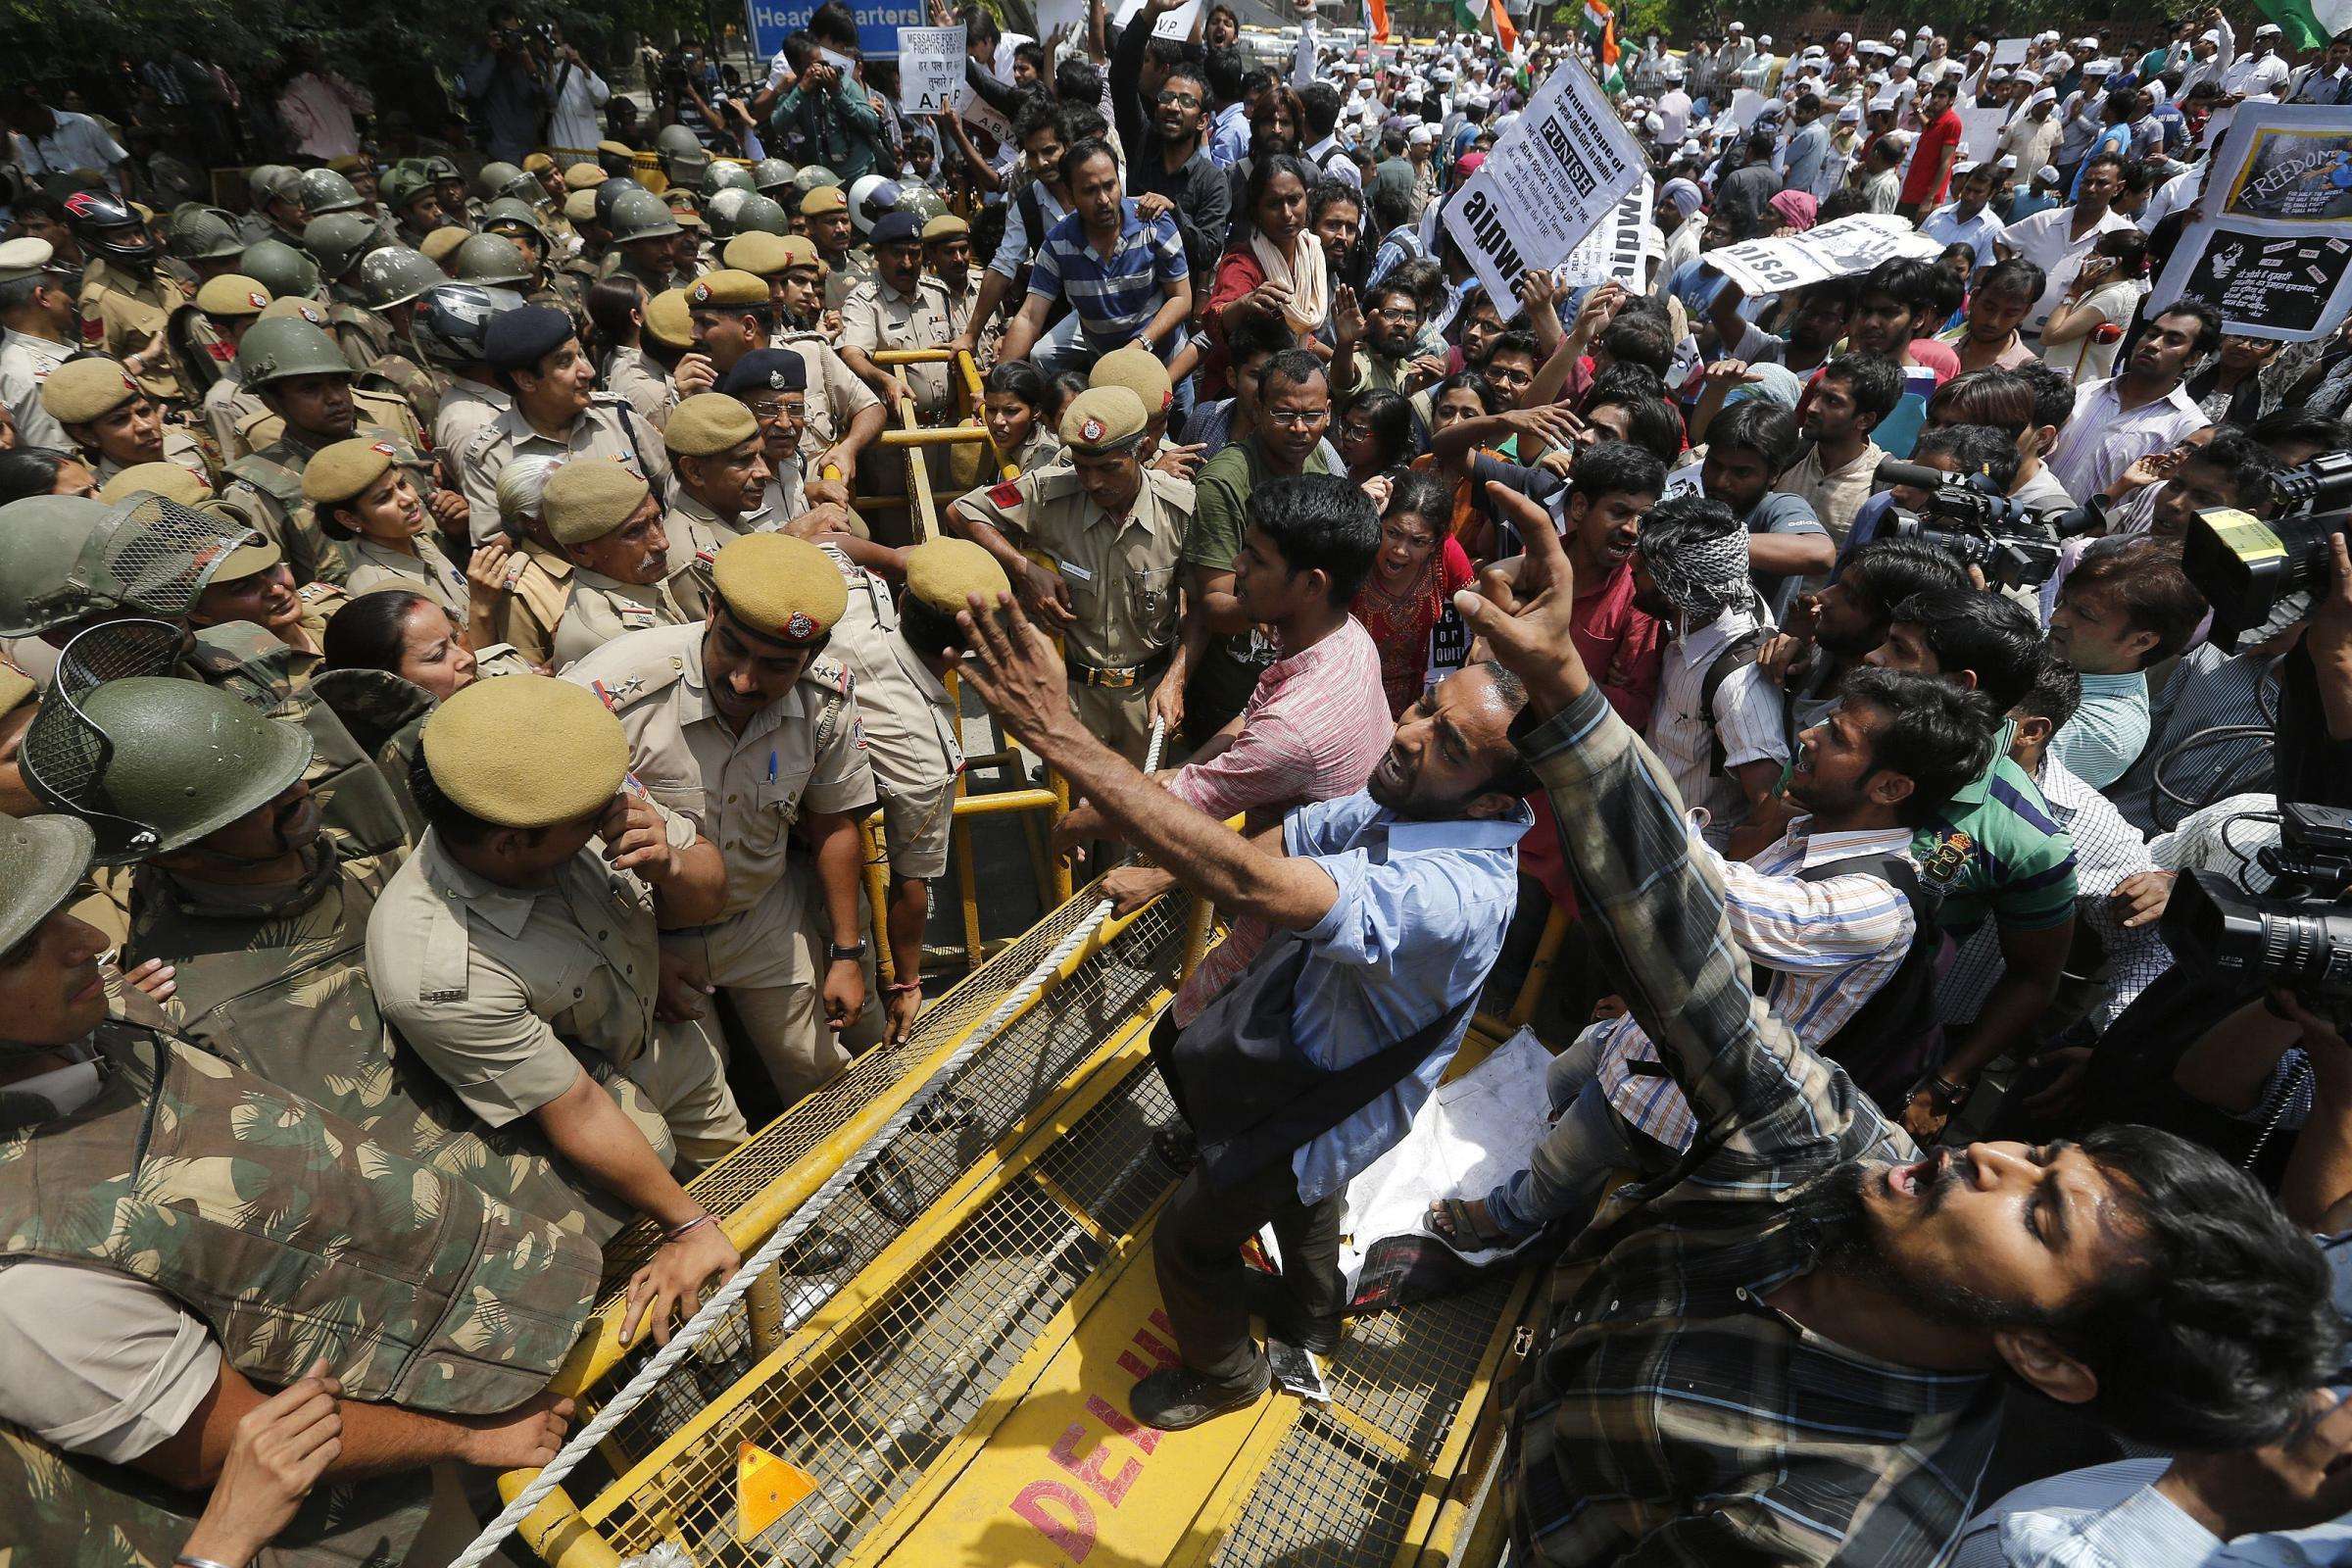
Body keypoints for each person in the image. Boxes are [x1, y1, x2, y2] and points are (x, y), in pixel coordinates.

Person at [1449, 482, 2343, 1566]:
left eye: (2044, 1216)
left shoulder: (1824, 1525)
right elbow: (1689, 957)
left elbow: (1997, 957)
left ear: (2050, 1361)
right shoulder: (1848, 1160)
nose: (1990, 1158)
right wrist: (1559, 680)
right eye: (2043, 1154)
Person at [955, 593, 1535, 1430]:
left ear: (1490, 804)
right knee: (1308, 1198)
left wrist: (1063, 740)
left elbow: (1254, 882)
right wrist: (1164, 872)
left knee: (1189, 1239)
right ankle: (1311, 1316)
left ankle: (1224, 1373)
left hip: (1336, 1098)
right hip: (1315, 1053)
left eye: (1447, 744)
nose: (1409, 735)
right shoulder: (1410, 793)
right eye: (1423, 708)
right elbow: (1296, 840)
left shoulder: (1454, 895)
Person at [0, 810, 593, 1566]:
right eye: (24, 947)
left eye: (61, 911)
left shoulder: (81, 1018)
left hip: (482, 1355)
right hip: (380, 1524)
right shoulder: (28, 1277)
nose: (89, 942)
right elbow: (224, 1445)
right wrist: (472, 1437)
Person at [1429, 662, 1992, 1251]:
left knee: (1561, 1160)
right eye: (1827, 722)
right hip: (1638, 1038)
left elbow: (1709, 892)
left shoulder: (1871, 907)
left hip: (1667, 1096)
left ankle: (1507, 1220)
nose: (1809, 736)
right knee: (1559, 1080)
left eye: (1839, 739)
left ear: (1891, 788)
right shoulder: (1812, 835)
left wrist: (1597, 752)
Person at [564, 533, 884, 1109]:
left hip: (761, 916)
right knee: (701, 1102)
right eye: (731, 649)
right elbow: (561, 853)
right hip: (642, 931)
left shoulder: (825, 700)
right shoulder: (608, 695)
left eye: (776, 667)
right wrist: (633, 955)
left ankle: (856, 1180)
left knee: (816, 1068)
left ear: (812, 658)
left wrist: (845, 953)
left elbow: (835, 824)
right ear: (710, 611)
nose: (743, 681)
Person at [946, 386, 1193, 764]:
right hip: (1073, 697)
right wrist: (1023, 568)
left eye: (1109, 468)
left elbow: (1200, 606)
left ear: (1142, 451)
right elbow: (962, 512)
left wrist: (1177, 681)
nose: (1092, 482)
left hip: (1146, 700)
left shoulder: (1180, 509)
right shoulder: (1050, 493)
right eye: (1082, 467)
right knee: (1073, 814)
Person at [1182, 349, 1335, 744]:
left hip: (1301, 690)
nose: (1300, 429)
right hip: (1231, 695)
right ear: (1257, 409)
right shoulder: (1224, 482)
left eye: (1312, 416)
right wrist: (1277, 602)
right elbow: (1214, 605)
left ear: (1329, 413)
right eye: (1284, 415)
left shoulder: (1321, 463)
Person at [1632, 494, 1791, 850]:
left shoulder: (1739, 686)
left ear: (1674, 588)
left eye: (1642, 569)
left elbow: (1769, 807)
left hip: (1681, 853)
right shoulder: (1713, 600)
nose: (1632, 570)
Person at [454, 304, 671, 548]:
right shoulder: (490, 457)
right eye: (565, 362)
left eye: (581, 355)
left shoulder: (618, 417)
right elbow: (498, 553)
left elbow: (672, 487)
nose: (587, 371)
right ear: (526, 379)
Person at [1000, 138, 1193, 378]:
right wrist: (1000, 383)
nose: (1103, 200)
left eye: (1109, 186)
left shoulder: (1154, 222)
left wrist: (1140, 344)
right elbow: (1029, 317)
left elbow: (1182, 298)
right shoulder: (1058, 244)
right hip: (1107, 376)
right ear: (1070, 195)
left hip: (1166, 368)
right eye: (1090, 190)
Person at [2043, 538, 2207, 790]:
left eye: (2085, 615)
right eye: (2064, 602)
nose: (2057, 618)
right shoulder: (2063, 652)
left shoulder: (2107, 731)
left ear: (2141, 641)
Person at [2045, 302, 2216, 504]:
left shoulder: (2189, 428)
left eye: (2172, 340)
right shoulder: (2086, 392)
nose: (2153, 345)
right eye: (2152, 334)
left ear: (2193, 358)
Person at [305, 437, 473, 623]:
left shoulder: (420, 541)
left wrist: (459, 532)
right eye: (384, 498)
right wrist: (483, 606)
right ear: (349, 519)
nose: (408, 499)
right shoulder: (380, 590)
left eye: (402, 484)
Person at [1780, 354, 1902, 559]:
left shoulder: (1884, 485)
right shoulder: (1786, 448)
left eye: (1832, 401)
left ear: (1864, 420)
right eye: (1816, 394)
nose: (1812, 408)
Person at [2003, 152, 2136, 335]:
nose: (2091, 189)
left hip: (2063, 342)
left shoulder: (2124, 235)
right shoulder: (2044, 219)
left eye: (2101, 183)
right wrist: (2008, 277)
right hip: (2012, 330)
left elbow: (2133, 294)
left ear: (2118, 188)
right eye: (2086, 181)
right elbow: (2001, 241)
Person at [2038, 225, 2151, 381]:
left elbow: (2049, 337)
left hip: (2071, 386)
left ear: (2113, 262)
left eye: (2095, 253)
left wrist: (2074, 292)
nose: (2086, 258)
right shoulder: (2109, 289)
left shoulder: (2113, 296)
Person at [0, 238, 77, 454]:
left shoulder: (47, 353)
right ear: (42, 296)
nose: (69, 299)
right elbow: (59, 458)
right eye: (61, 290)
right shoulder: (31, 374)